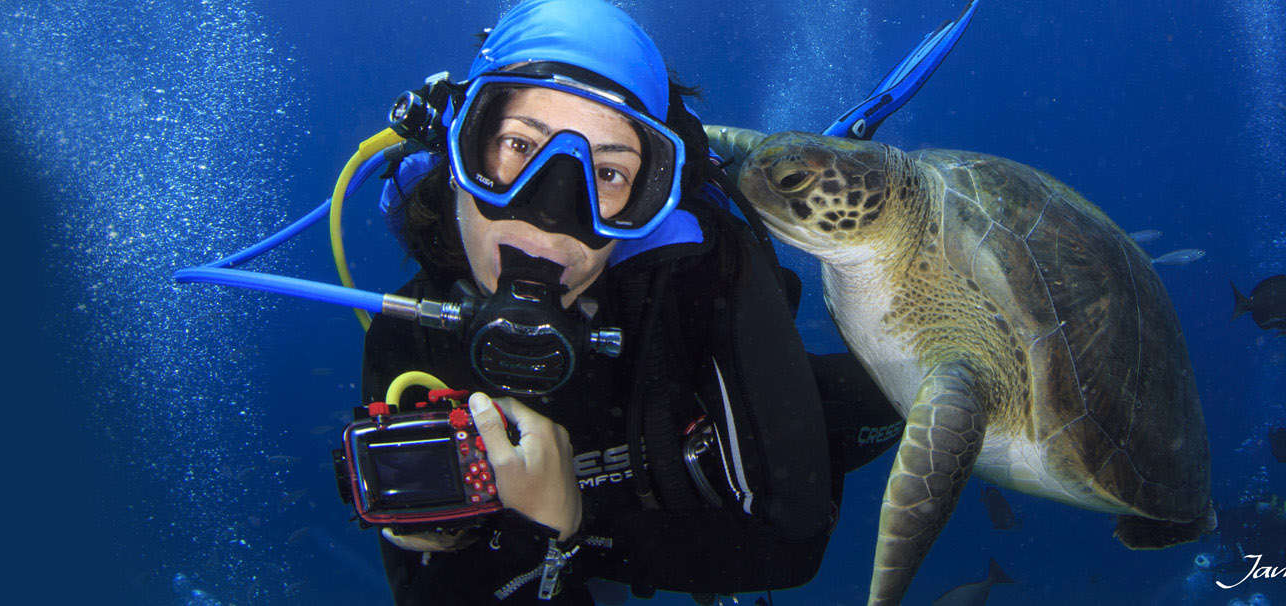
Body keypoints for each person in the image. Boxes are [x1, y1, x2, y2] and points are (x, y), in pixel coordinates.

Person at [359, 0, 903, 603]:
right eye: (517, 145)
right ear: (457, 147)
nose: (551, 213)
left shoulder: (703, 281)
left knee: (901, 397)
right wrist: (488, 537)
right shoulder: (408, 335)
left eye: (610, 174)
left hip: (726, 462)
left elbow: (792, 544)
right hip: (633, 532)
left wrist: (575, 527)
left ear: (651, 195)